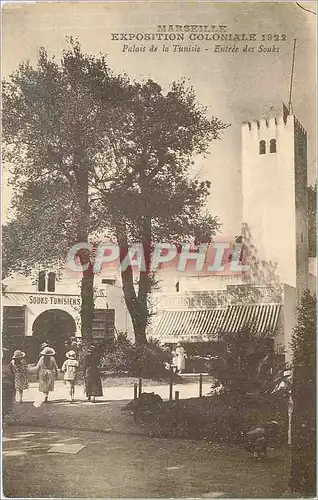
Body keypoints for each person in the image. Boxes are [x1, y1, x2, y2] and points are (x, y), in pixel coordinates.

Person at [2, 348, 15, 418]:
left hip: (7, 383)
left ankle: (5, 413)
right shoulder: (9, 364)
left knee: (6, 398)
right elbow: (12, 375)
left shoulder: (10, 364)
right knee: (7, 399)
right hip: (7, 383)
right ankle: (5, 413)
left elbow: (12, 375)